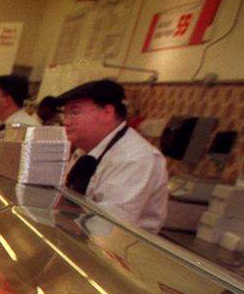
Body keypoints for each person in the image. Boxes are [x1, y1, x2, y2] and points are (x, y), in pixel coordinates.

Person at [56, 79, 168, 233]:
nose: (66, 122)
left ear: (108, 113)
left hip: (119, 250)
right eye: (65, 114)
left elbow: (108, 227)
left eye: (74, 113)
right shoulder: (85, 149)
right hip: (80, 239)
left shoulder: (136, 158)